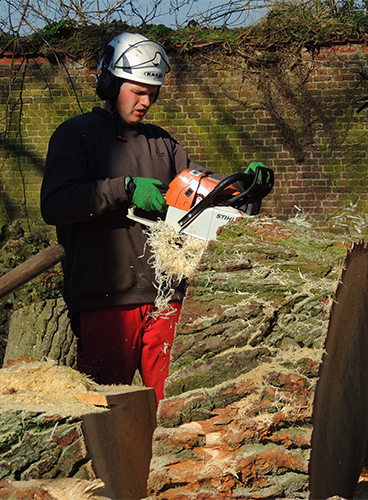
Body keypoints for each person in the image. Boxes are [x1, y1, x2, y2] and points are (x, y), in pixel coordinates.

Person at [41, 32, 246, 403]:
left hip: (167, 297)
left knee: (173, 404)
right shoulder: (77, 136)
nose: (146, 101)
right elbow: (55, 203)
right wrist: (124, 188)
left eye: (152, 92)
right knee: (108, 410)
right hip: (106, 298)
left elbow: (199, 188)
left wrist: (241, 187)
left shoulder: (162, 143)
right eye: (137, 91)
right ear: (111, 83)